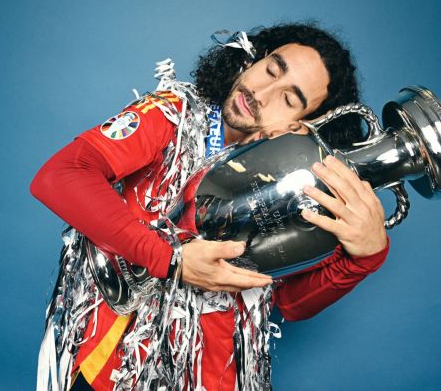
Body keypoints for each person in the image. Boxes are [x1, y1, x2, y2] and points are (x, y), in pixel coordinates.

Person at [31, 22, 389, 390]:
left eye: (289, 98)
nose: (261, 94)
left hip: (216, 378)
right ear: (253, 58)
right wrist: (172, 260)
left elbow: (285, 302)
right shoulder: (173, 116)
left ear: (306, 127)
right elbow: (61, 175)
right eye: (271, 69)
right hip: (120, 369)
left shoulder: (293, 187)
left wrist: (362, 258)